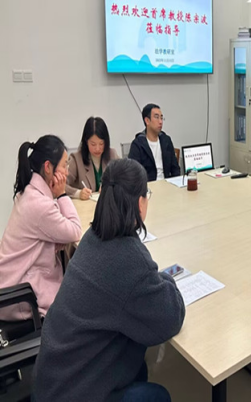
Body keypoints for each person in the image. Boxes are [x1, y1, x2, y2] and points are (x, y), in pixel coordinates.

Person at [33, 158, 185, 402]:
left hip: (53, 380)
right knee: (158, 396)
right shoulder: (128, 258)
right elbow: (171, 317)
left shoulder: (93, 236)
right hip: (73, 393)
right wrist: (165, 279)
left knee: (137, 363)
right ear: (140, 203)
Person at [0, 135, 81, 321]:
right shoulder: (39, 205)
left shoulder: (30, 192)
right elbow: (75, 230)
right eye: (64, 165)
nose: (67, 171)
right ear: (48, 167)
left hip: (11, 282)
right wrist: (62, 194)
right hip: (20, 295)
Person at [66, 116, 120, 199]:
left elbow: (126, 178)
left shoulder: (112, 155)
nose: (97, 149)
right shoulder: (76, 159)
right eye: (93, 144)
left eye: (101, 144)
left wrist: (112, 186)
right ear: (86, 142)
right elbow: (60, 186)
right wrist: (78, 193)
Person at [128, 103, 181, 181]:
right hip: (148, 185)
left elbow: (175, 168)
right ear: (147, 121)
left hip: (167, 183)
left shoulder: (166, 140)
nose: (160, 121)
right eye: (156, 117)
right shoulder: (137, 144)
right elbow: (134, 173)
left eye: (161, 118)